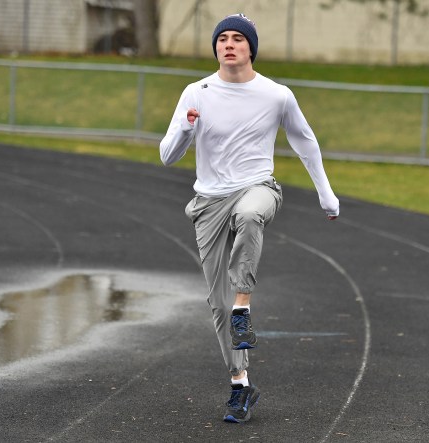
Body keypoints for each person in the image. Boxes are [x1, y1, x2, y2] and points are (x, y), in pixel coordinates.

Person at [159, 13, 339, 423]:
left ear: (250, 48)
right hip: (208, 202)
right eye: (222, 38)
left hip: (258, 187)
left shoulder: (276, 95)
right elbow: (167, 156)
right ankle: (240, 385)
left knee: (250, 214)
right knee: (216, 306)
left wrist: (326, 194)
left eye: (238, 38)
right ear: (216, 48)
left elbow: (305, 142)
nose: (229, 44)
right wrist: (186, 130)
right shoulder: (196, 92)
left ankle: (245, 305)